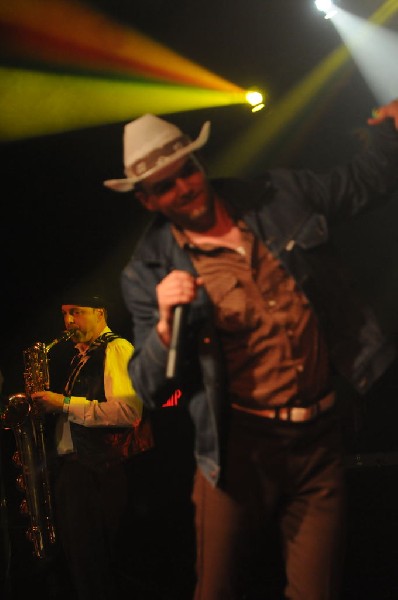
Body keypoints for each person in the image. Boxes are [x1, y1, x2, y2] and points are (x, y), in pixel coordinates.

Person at [103, 100, 398, 600]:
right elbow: (149, 388)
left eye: (187, 172)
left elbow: (362, 184)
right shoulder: (147, 271)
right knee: (216, 590)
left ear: (199, 163)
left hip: (318, 441)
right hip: (238, 451)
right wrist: (164, 333)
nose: (184, 188)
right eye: (165, 186)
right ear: (147, 200)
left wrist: (391, 132)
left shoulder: (277, 196)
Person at [31, 292, 154, 600]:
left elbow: (128, 412)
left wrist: (64, 403)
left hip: (98, 472)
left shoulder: (117, 348)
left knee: (95, 570)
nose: (69, 321)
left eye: (77, 312)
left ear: (100, 312)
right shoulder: (82, 355)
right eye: (64, 314)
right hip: (77, 470)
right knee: (79, 568)